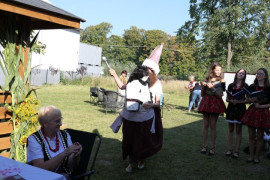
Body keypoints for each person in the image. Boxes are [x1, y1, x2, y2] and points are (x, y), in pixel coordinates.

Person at [110, 43, 164, 172]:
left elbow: (158, 103)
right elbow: (122, 88)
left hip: (146, 117)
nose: (146, 70)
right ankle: (130, 162)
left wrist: (152, 104)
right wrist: (115, 76)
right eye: (145, 68)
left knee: (143, 140)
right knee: (129, 139)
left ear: (153, 72)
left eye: (148, 69)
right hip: (130, 116)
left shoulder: (156, 83)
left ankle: (141, 159)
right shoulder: (134, 81)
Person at [27, 106, 82, 178]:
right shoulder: (34, 139)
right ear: (45, 124)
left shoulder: (65, 135)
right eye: (57, 121)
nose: (61, 124)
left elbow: (72, 166)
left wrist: (75, 155)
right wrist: (65, 152)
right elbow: (39, 169)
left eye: (60, 120)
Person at [241, 68, 270, 164]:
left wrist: (261, 106)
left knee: (260, 136)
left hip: (263, 112)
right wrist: (250, 100)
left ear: (265, 76)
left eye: (261, 74)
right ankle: (251, 156)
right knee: (251, 135)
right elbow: (247, 99)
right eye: (258, 74)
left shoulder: (269, 88)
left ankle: (257, 157)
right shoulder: (252, 87)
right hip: (253, 112)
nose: (259, 75)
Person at [198, 62, 226, 155]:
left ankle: (212, 148)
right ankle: (204, 146)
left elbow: (221, 95)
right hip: (206, 102)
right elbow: (202, 94)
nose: (219, 71)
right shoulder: (206, 79)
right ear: (212, 70)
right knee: (205, 125)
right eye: (217, 70)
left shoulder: (222, 80)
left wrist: (213, 88)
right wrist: (203, 87)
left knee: (213, 126)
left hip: (215, 103)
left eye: (220, 70)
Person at [225, 69, 248, 158]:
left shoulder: (246, 86)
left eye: (243, 73)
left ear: (244, 75)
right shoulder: (231, 85)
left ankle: (236, 151)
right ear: (236, 74)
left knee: (238, 130)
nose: (241, 74)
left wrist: (239, 102)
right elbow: (227, 99)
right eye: (239, 72)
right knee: (230, 130)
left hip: (240, 109)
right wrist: (231, 100)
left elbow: (247, 99)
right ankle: (230, 149)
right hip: (231, 108)